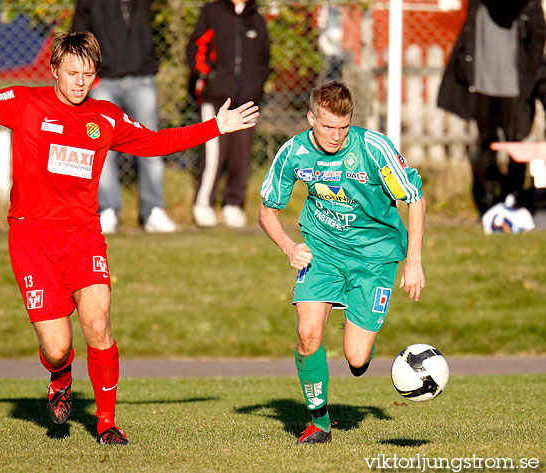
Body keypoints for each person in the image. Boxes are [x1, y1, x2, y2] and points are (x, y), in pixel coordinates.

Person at [0, 32, 258, 445]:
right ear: (54, 70)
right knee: (56, 347)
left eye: (88, 74)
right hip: (32, 238)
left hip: (83, 236)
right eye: (71, 72)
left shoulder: (105, 118)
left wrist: (215, 127)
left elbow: (156, 143)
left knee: (99, 324)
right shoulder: (24, 103)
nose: (79, 82)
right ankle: (61, 375)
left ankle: (106, 423)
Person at [258, 81, 426, 444]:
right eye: (328, 126)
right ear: (310, 119)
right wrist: (289, 247)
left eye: (343, 127)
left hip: (375, 256)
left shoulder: (373, 148)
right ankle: (319, 424)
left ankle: (361, 339)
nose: (336, 136)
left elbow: (415, 198)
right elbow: (267, 210)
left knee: (356, 357)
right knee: (307, 333)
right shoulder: (294, 152)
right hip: (323, 250)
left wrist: (413, 260)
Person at [71, 0, 175, 234]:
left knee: (151, 146)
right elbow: (78, 34)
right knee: (101, 147)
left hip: (142, 79)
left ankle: (153, 211)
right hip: (104, 81)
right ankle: (108, 210)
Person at [437, 0, 545, 214]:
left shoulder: (528, 4)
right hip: (482, 84)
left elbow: (537, 39)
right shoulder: (478, 3)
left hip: (515, 86)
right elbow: (468, 35)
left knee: (516, 142)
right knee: (486, 142)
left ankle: (513, 197)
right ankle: (487, 202)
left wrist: (528, 81)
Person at [186, 0, 270, 228]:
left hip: (247, 102)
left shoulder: (257, 19)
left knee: (241, 155)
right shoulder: (211, 12)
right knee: (214, 154)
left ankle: (233, 204)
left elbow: (264, 60)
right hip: (215, 99)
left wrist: (256, 87)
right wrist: (207, 78)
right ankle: (203, 204)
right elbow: (196, 48)